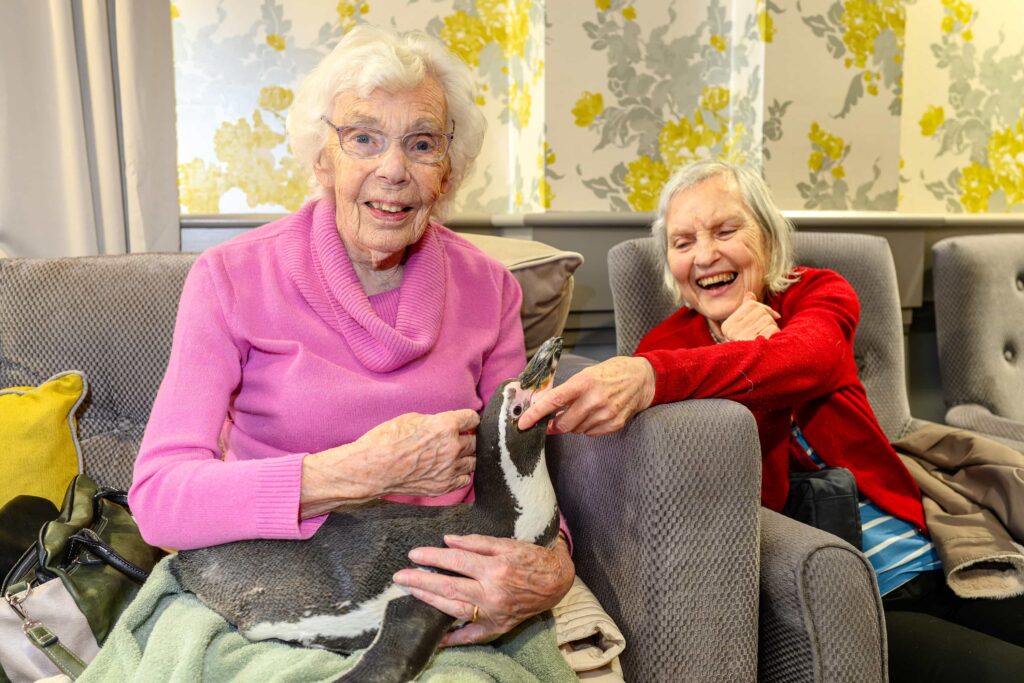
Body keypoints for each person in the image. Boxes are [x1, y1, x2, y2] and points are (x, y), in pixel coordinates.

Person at [128, 24, 573, 666]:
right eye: (363, 138)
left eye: (421, 144)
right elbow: (160, 500)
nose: (392, 169)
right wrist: (354, 474)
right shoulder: (229, 278)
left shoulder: (490, 291)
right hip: (273, 587)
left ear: (446, 173)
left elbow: (520, 464)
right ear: (322, 158)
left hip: (427, 598)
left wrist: (550, 569)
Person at [518, 159, 1024, 681]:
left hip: (934, 555)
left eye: (726, 230)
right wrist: (735, 350)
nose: (705, 255)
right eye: (683, 241)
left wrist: (671, 373)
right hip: (861, 594)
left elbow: (810, 360)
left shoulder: (817, 291)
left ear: (768, 236)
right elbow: (747, 490)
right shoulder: (665, 347)